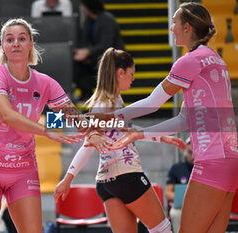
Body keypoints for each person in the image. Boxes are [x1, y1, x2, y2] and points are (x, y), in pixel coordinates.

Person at [99, 2, 238, 233]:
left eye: (174, 22)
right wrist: (140, 133)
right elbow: (185, 120)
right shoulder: (215, 59)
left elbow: (153, 103)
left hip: (212, 162)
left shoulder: (189, 61)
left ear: (186, 27)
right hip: (232, 163)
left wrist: (108, 117)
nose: (170, 27)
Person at [0, 18, 109, 233]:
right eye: (10, 39)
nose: (16, 43)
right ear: (3, 46)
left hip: (23, 169)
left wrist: (93, 133)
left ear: (31, 44)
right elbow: (7, 116)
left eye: (21, 39)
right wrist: (47, 132)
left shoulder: (45, 82)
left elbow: (72, 115)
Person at [55, 48, 187, 233]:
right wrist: (67, 178)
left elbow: (119, 133)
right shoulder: (109, 104)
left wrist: (161, 137)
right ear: (120, 72)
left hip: (106, 183)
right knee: (162, 229)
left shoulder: (105, 101)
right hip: (127, 176)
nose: (133, 79)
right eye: (131, 74)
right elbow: (89, 144)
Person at [74, 0, 125, 101]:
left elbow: (106, 45)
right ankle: (87, 95)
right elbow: (84, 40)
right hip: (95, 56)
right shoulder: (89, 20)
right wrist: (86, 55)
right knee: (75, 64)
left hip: (112, 57)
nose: (82, 8)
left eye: (83, 6)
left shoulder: (107, 19)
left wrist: (88, 52)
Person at [165, 137, 193, 232]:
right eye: (190, 152)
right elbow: (168, 193)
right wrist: (184, 199)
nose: (193, 156)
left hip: (201, 207)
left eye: (196, 152)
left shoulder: (207, 168)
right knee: (176, 213)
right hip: (181, 208)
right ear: (185, 152)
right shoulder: (176, 168)